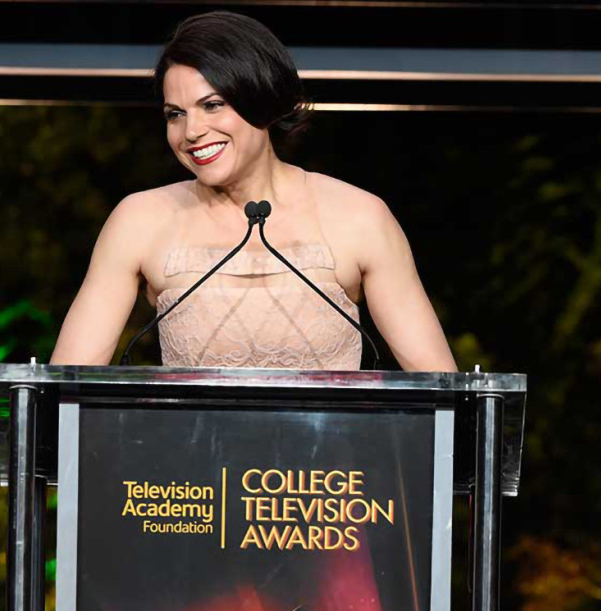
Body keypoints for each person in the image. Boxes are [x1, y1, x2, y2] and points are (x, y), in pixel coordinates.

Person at [50, 11, 456, 372]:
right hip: (186, 458)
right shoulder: (139, 220)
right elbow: (59, 391)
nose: (191, 132)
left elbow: (446, 396)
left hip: (334, 461)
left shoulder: (360, 216)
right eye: (176, 114)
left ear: (261, 99)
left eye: (212, 105)